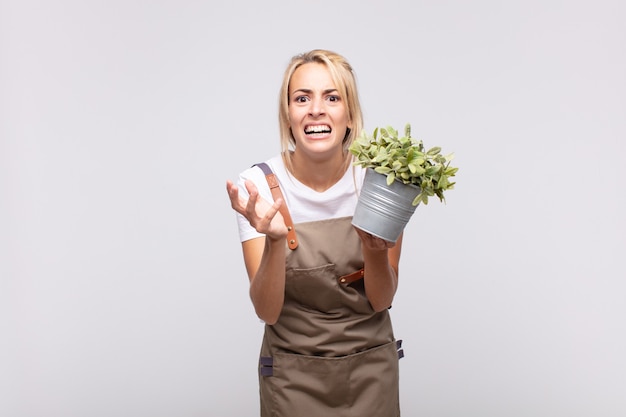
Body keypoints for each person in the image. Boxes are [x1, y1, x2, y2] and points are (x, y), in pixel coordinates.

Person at [226, 49, 404, 417]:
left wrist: (373, 249)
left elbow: (382, 299)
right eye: (302, 98)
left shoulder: (381, 181)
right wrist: (276, 241)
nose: (316, 110)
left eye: (332, 97)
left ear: (350, 114)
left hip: (371, 370)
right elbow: (267, 310)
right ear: (288, 115)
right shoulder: (257, 186)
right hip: (292, 378)